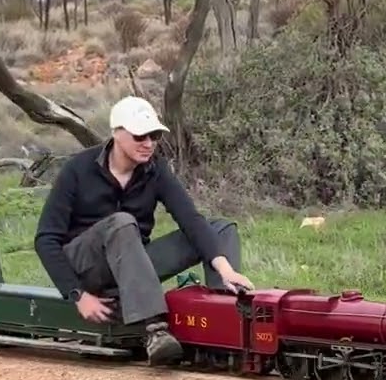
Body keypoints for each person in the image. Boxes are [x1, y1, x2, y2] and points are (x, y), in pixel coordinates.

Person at [33, 95, 253, 365]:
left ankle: (224, 321)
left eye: (154, 136)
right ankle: (155, 331)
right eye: (140, 136)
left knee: (219, 228)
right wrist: (77, 294)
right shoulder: (77, 169)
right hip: (88, 267)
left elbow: (190, 219)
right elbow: (45, 240)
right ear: (116, 133)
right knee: (121, 222)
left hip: (133, 262)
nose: (148, 143)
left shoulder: (155, 170)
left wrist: (225, 269)